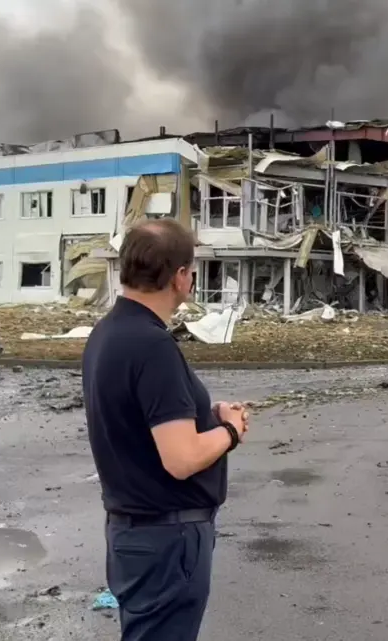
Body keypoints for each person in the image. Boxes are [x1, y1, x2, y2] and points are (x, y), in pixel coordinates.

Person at [82, 219, 250, 640]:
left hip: (132, 531)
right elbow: (182, 458)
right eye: (191, 270)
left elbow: (136, 419)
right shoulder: (152, 345)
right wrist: (229, 429)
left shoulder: (108, 333)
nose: (191, 278)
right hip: (167, 538)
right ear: (179, 277)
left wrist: (202, 412)